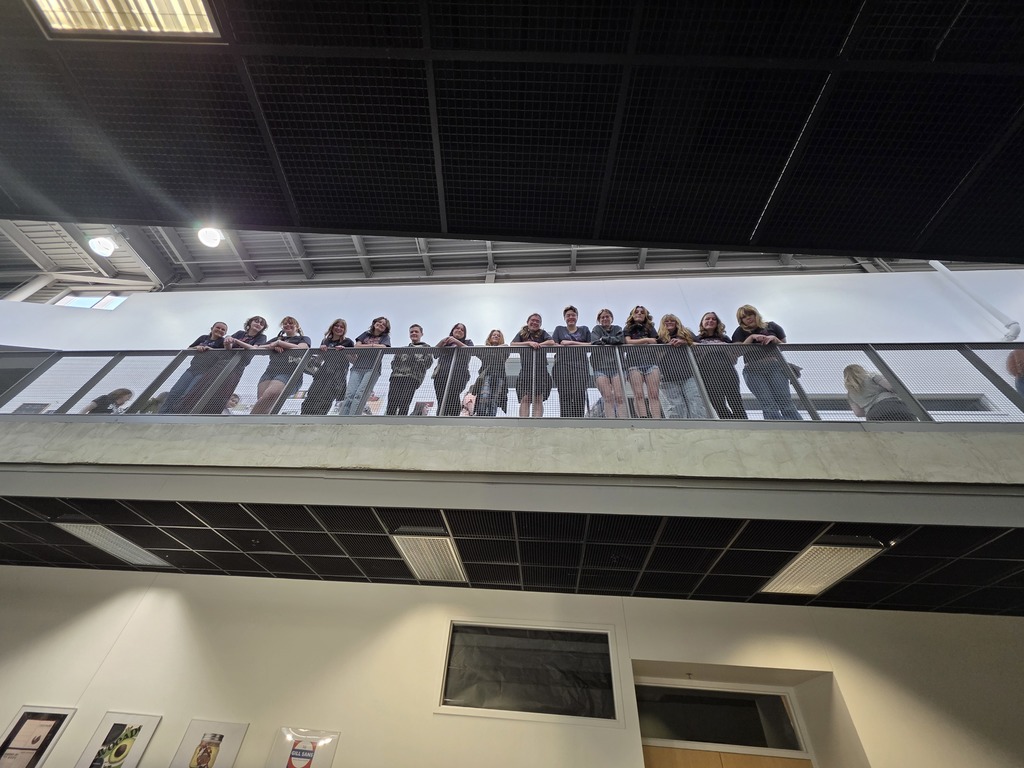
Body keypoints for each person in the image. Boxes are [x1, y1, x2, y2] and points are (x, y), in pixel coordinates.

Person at [731, 304, 802, 420]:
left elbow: (785, 346)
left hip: (775, 367)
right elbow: (736, 352)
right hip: (753, 370)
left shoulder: (772, 326)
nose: (748, 318)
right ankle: (776, 429)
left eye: (750, 314)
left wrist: (774, 339)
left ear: (756, 314)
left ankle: (797, 427)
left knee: (785, 401)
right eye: (744, 317)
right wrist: (751, 338)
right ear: (741, 320)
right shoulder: (740, 331)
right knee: (768, 404)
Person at [200, 315, 268, 414]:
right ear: (250, 323)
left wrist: (236, 340)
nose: (258, 324)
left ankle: (212, 413)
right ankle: (195, 409)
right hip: (222, 362)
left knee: (224, 390)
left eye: (261, 324)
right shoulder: (240, 333)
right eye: (256, 321)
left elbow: (254, 348)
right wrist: (228, 341)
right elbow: (228, 347)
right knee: (206, 386)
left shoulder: (261, 337)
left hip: (237, 366)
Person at [159, 321, 229, 413]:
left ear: (225, 333)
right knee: (175, 391)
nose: (220, 330)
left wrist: (211, 350)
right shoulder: (203, 338)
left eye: (223, 329)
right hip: (192, 369)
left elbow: (224, 356)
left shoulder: (223, 342)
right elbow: (189, 349)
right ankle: (163, 414)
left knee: (188, 394)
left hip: (205, 372)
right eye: (218, 327)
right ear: (212, 329)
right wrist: (197, 347)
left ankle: (177, 414)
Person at [250, 316, 311, 414]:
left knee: (271, 394)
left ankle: (249, 419)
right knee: (264, 402)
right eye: (285, 324)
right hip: (270, 372)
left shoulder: (303, 338)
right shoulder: (276, 339)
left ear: (297, 327)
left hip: (290, 373)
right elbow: (259, 348)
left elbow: (302, 348)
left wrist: (280, 343)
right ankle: (260, 422)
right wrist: (274, 346)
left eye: (291, 323)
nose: (287, 325)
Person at [694, 311, 747, 419]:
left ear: (717, 323)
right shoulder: (697, 339)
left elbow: (734, 359)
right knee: (716, 402)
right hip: (707, 373)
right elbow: (694, 359)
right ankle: (729, 422)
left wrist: (723, 347)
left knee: (735, 400)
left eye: (714, 319)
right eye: (707, 319)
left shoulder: (724, 338)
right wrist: (707, 348)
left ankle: (743, 423)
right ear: (702, 323)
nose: (710, 321)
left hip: (727, 371)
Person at [657, 314, 707, 419]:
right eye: (667, 321)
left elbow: (701, 346)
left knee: (695, 401)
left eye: (672, 321)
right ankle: (681, 426)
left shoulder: (686, 333)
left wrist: (684, 342)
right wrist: (666, 347)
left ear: (677, 323)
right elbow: (655, 356)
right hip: (668, 378)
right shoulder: (659, 338)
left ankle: (699, 425)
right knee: (676, 406)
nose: (669, 323)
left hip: (688, 375)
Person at [301, 318, 354, 416]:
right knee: (311, 395)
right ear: (332, 327)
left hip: (338, 374)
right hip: (323, 372)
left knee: (325, 398)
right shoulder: (326, 341)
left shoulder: (347, 342)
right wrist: (321, 351)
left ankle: (317, 419)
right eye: (336, 326)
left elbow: (354, 360)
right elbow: (319, 361)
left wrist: (345, 351)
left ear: (344, 330)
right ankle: (303, 418)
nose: (338, 328)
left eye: (341, 327)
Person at [339, 316, 391, 416]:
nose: (381, 324)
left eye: (384, 324)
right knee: (350, 394)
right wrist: (373, 346)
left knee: (360, 394)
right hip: (357, 367)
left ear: (386, 329)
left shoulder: (385, 337)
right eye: (379, 322)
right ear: (374, 323)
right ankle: (343, 417)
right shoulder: (366, 334)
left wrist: (366, 346)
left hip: (372, 369)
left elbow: (384, 347)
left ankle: (353, 417)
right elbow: (356, 346)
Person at [511, 313, 556, 417]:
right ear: (528, 322)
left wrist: (539, 344)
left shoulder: (542, 333)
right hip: (526, 370)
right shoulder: (522, 334)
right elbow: (513, 344)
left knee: (538, 398)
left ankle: (537, 422)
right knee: (525, 398)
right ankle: (524, 422)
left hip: (540, 370)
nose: (535, 322)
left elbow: (551, 342)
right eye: (533, 320)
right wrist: (529, 343)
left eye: (538, 321)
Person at [552, 305, 592, 418]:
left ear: (577, 317)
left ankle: (578, 420)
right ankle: (566, 420)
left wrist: (570, 343)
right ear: (564, 317)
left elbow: (591, 344)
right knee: (565, 393)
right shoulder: (559, 329)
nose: (571, 317)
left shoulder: (584, 329)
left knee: (579, 393)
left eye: (573, 315)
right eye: (568, 315)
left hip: (581, 366)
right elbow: (553, 344)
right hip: (562, 366)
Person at [386, 324, 434, 415]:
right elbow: (394, 363)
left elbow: (427, 364)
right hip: (396, 377)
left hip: (412, 378)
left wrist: (412, 359)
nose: (414, 333)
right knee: (392, 402)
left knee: (404, 402)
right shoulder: (403, 349)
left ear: (421, 334)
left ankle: (401, 421)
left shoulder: (426, 348)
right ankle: (388, 420)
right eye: (411, 332)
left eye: (416, 331)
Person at [843, 364, 919, 421]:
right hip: (891, 405)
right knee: (913, 429)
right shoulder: (872, 376)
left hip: (873, 415)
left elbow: (858, 413)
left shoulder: (850, 394)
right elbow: (891, 387)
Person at [624, 305, 661, 418]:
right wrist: (646, 340)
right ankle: (643, 418)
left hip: (651, 363)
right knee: (638, 394)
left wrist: (638, 342)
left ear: (646, 315)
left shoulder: (650, 328)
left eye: (642, 312)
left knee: (654, 394)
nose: (639, 313)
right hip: (633, 364)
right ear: (632, 315)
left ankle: (657, 420)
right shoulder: (628, 328)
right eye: (636, 312)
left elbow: (655, 341)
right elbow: (628, 342)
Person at [590, 308, 627, 418]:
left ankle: (623, 421)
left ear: (611, 318)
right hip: (601, 368)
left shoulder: (617, 328)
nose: (605, 319)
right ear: (599, 320)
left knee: (619, 396)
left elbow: (620, 340)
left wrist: (604, 339)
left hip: (617, 368)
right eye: (602, 317)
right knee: (607, 396)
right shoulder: (596, 329)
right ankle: (610, 421)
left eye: (607, 316)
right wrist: (612, 340)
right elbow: (595, 342)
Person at [432, 323, 474, 416]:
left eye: (462, 330)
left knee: (453, 395)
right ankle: (440, 418)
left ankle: (453, 417)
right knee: (441, 399)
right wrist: (442, 342)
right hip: (441, 375)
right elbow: (435, 354)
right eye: (457, 328)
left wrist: (456, 341)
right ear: (452, 330)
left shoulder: (467, 342)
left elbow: (471, 351)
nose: (459, 330)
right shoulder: (445, 343)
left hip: (459, 375)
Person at [469, 329, 510, 417]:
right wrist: (488, 348)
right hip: (486, 375)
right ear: (490, 337)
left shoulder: (504, 350)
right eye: (494, 335)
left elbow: (506, 346)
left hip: (499, 376)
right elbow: (475, 350)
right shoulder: (485, 350)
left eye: (498, 336)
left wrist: (494, 348)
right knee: (484, 396)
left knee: (494, 399)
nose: (496, 336)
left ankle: (491, 418)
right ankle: (481, 416)